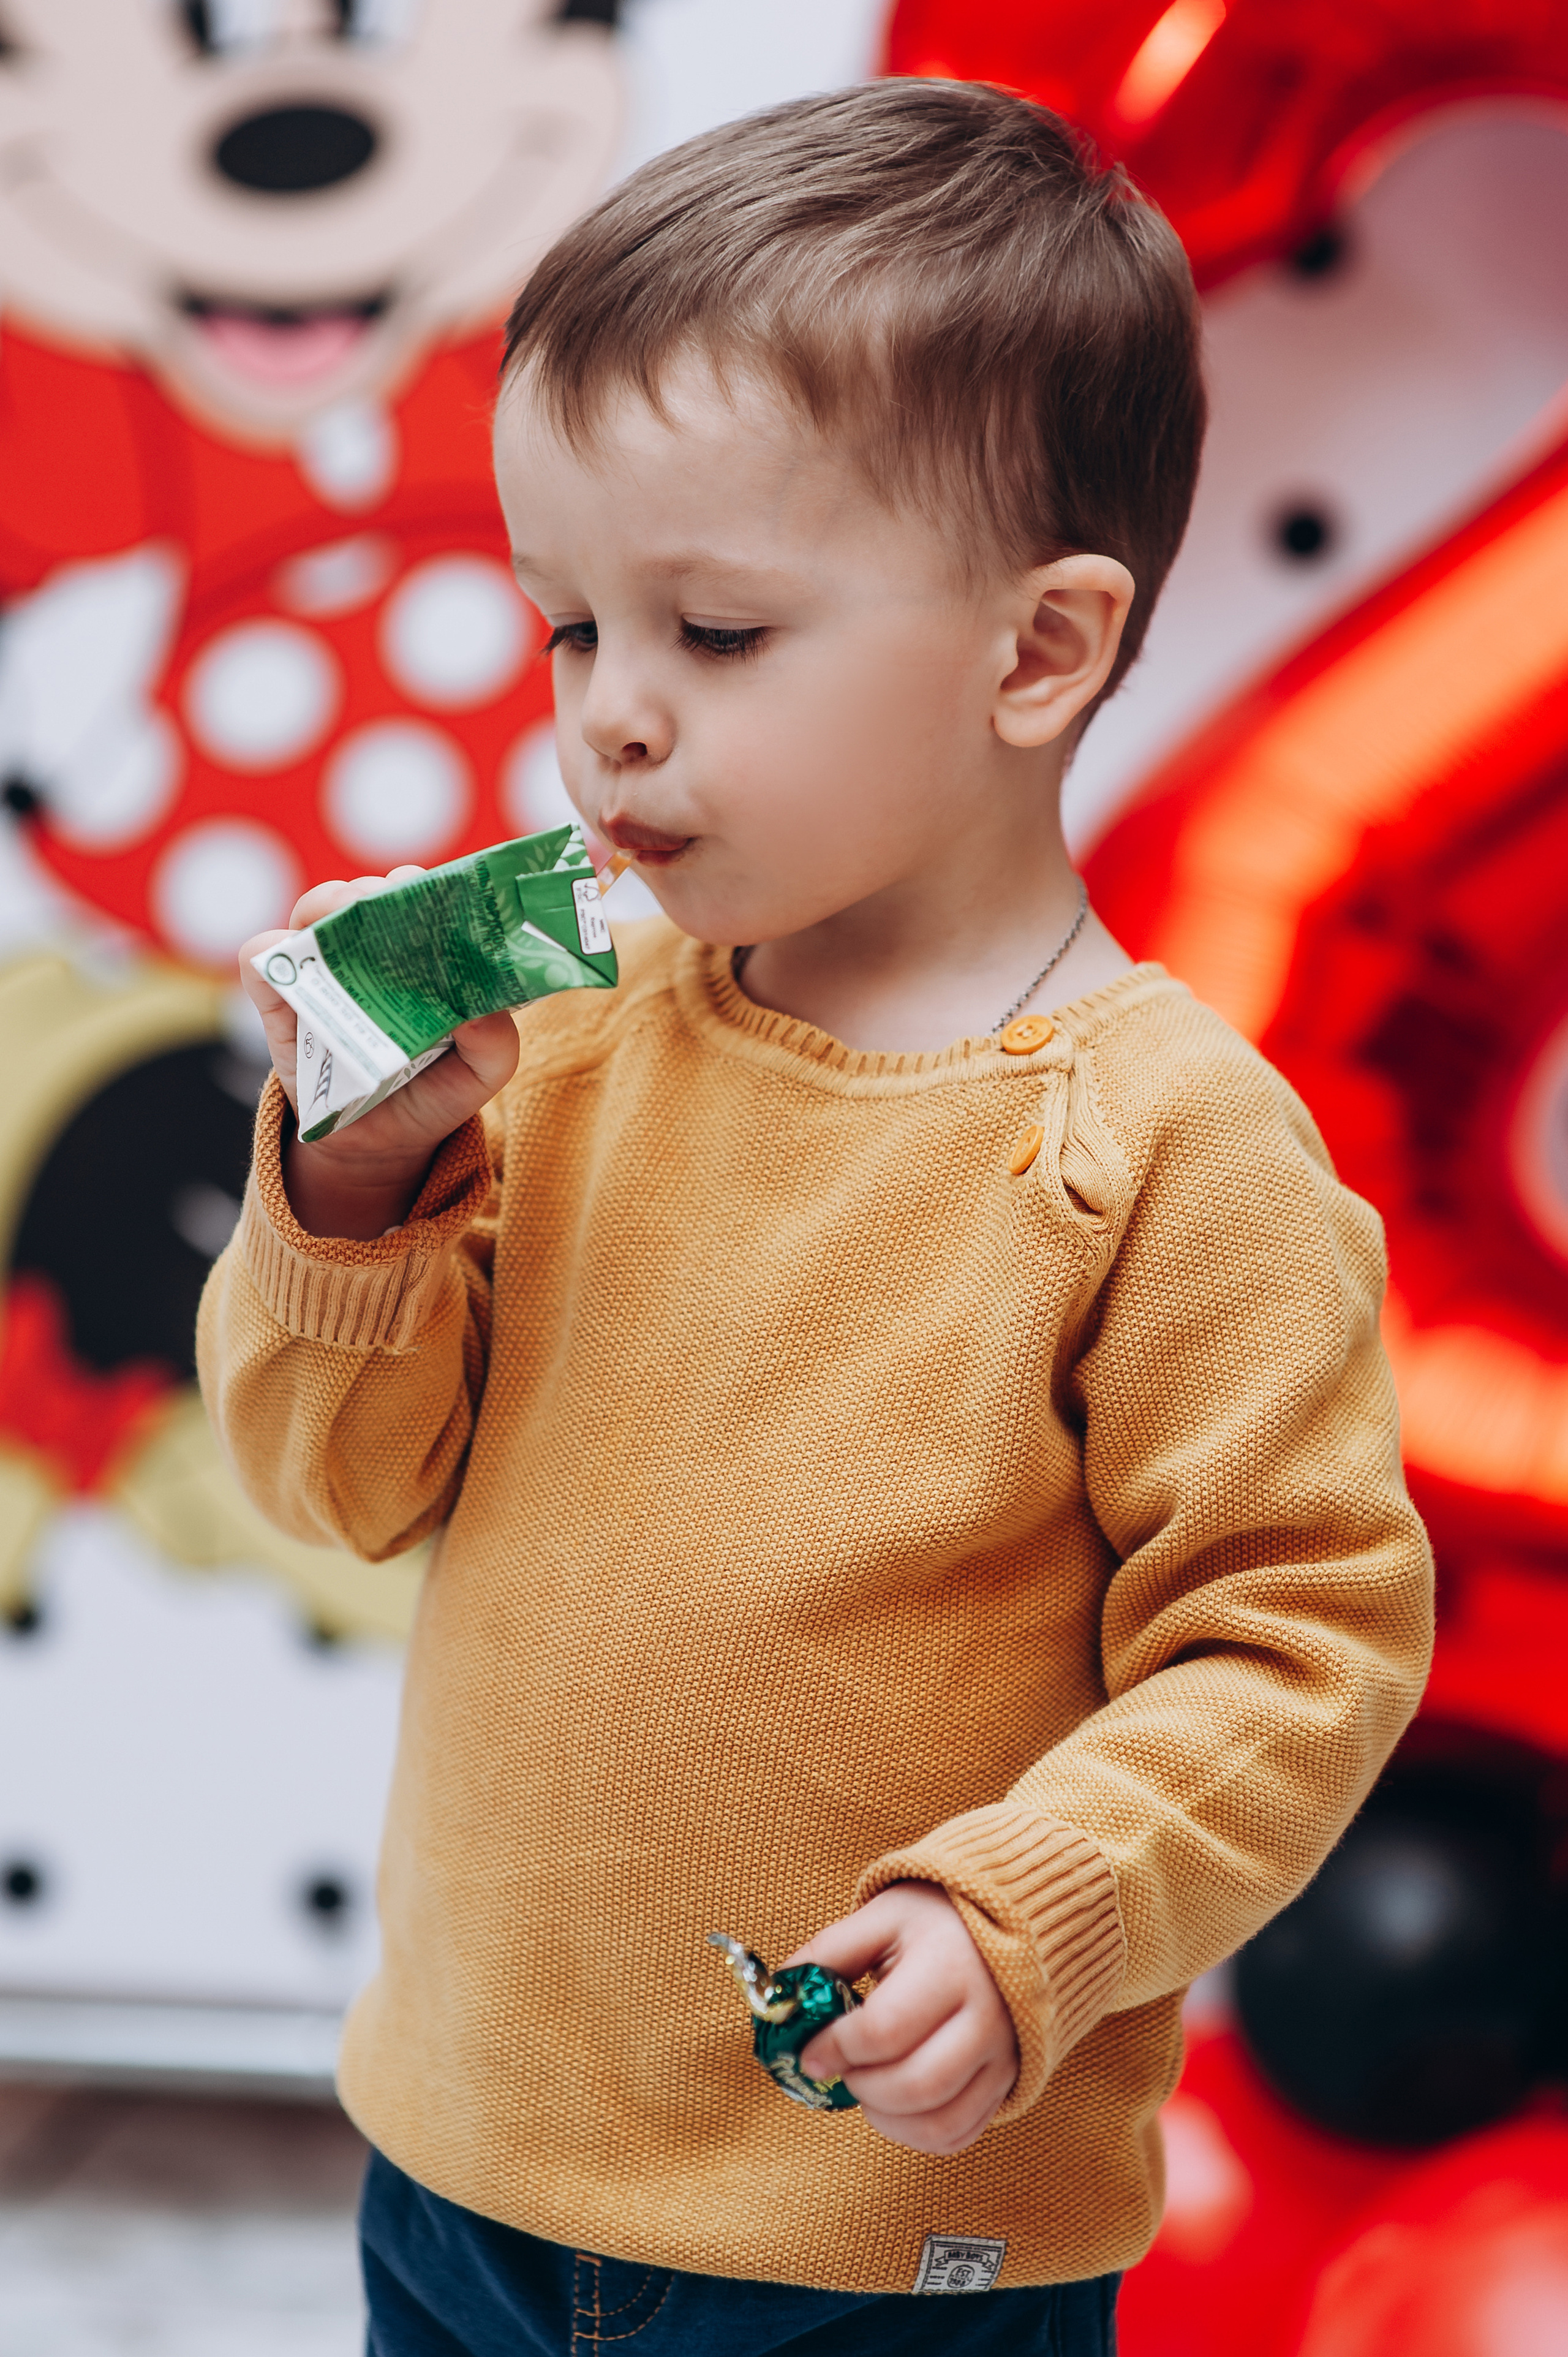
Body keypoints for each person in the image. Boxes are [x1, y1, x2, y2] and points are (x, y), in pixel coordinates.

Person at [199, 80, 1433, 2357]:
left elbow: (1299, 1643)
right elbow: (333, 1486)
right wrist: (352, 1197)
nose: (610, 729)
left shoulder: (1162, 1149)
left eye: (718, 636)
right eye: (572, 629)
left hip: (888, 2240)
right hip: (464, 2151)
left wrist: (1033, 1910)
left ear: (1038, 655)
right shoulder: (558, 1046)